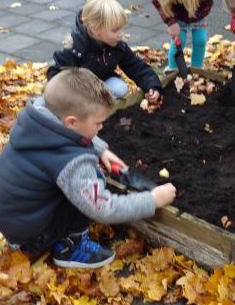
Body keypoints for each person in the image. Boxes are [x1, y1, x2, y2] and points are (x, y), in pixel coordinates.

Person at [0, 68, 176, 268]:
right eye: (98, 123)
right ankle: (70, 248)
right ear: (72, 122)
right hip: (32, 236)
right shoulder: (73, 163)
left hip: (14, 217)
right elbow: (103, 208)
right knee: (95, 178)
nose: (101, 128)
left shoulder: (36, 117)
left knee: (82, 176)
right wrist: (152, 200)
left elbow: (66, 136)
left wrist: (100, 150)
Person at [47, 0, 162, 103]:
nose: (121, 34)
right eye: (115, 30)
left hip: (102, 82)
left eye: (121, 29)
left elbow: (136, 66)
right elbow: (57, 74)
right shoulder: (75, 48)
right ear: (95, 29)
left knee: (120, 88)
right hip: (79, 88)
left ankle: (97, 102)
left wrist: (151, 85)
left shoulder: (117, 46)